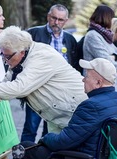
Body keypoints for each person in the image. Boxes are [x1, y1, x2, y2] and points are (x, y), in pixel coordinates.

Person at [0, 26, 87, 133]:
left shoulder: (41, 56)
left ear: (21, 52)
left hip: (76, 113)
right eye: (2, 55)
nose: (5, 61)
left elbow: (19, 88)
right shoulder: (19, 60)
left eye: (7, 56)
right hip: (59, 116)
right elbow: (5, 86)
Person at [20, 58, 117, 159]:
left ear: (98, 82)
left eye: (86, 76)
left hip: (80, 155)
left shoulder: (91, 106)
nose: (83, 80)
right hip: (101, 155)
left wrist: (45, 138)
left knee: (24, 147)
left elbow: (63, 142)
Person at [22, 4, 78, 142]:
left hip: (59, 94)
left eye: (61, 19)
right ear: (48, 16)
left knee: (51, 131)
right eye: (54, 18)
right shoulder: (33, 34)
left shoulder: (70, 39)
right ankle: (24, 155)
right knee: (30, 127)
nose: (56, 22)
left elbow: (74, 64)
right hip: (36, 90)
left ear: (66, 21)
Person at [83, 5, 117, 93]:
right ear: (106, 17)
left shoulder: (106, 35)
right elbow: (107, 63)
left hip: (108, 84)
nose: (112, 21)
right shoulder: (93, 35)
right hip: (97, 84)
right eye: (111, 18)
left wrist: (114, 57)